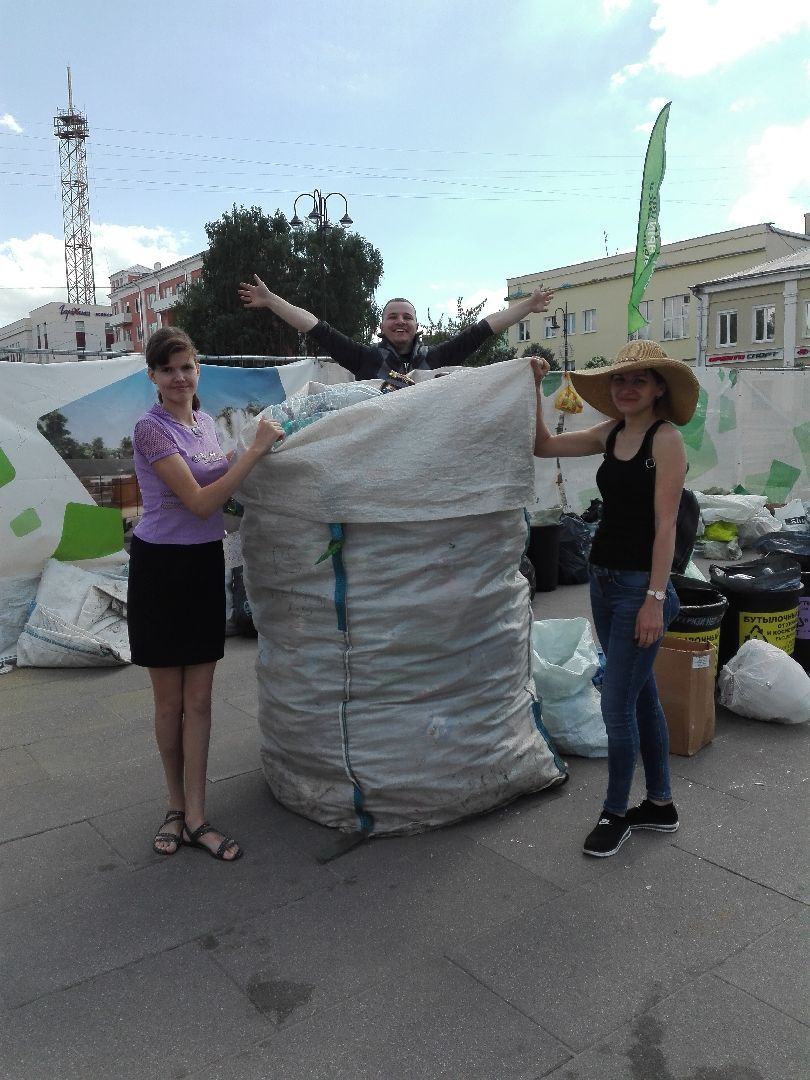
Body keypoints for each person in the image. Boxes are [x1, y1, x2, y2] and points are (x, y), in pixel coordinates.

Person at [532, 340, 699, 858]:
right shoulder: (611, 433)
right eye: (620, 380)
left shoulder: (664, 439)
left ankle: (615, 813)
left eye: (639, 381)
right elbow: (543, 446)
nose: (627, 388)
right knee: (640, 693)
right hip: (604, 582)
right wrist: (530, 386)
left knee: (616, 704)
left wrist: (654, 596)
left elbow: (667, 524)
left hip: (638, 589)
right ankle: (661, 805)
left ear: (658, 390)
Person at [127, 327, 284, 861]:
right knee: (170, 704)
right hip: (159, 571)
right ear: (152, 376)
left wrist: (253, 452)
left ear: (199, 371)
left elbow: (220, 479)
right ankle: (174, 806)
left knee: (200, 700)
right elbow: (198, 502)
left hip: (200, 566)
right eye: (168, 369)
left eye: (187, 367)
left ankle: (196, 815)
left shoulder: (202, 425)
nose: (179, 378)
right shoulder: (151, 430)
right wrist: (255, 452)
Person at [238, 276, 554, 379]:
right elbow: (316, 328)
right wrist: (271, 300)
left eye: (406, 317)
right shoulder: (365, 358)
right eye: (393, 316)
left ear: (417, 326)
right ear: (382, 325)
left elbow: (483, 329)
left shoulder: (437, 357)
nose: (400, 321)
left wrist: (526, 305)